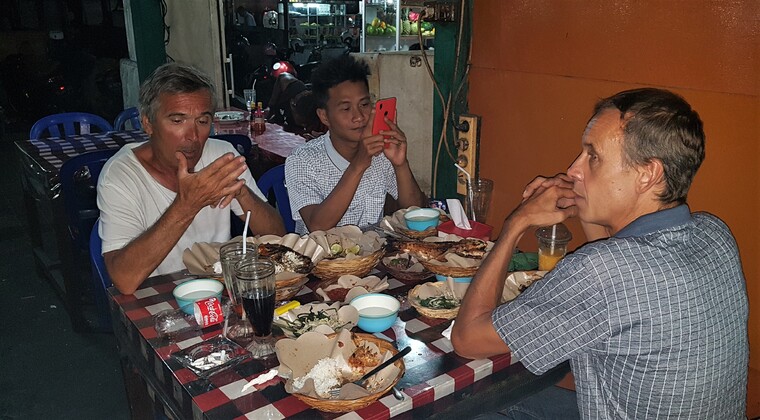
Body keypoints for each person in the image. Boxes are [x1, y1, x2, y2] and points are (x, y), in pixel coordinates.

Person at [451, 88, 748, 419]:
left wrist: (515, 224)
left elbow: (467, 339)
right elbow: (614, 258)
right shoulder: (714, 233)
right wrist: (583, 204)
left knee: (465, 409)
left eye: (593, 157)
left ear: (648, 173)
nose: (573, 170)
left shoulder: (603, 272)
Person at [97, 63, 285, 295]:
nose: (193, 136)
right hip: (157, 302)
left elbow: (278, 237)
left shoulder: (221, 156)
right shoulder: (121, 175)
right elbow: (124, 280)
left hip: (221, 293)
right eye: (178, 121)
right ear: (148, 123)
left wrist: (242, 194)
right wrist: (188, 204)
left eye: (203, 121)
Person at [284, 55, 427, 234]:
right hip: (322, 259)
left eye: (364, 104)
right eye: (345, 108)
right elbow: (317, 226)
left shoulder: (381, 152)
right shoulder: (302, 160)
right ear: (324, 116)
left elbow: (413, 214)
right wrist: (359, 164)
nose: (358, 116)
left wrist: (401, 165)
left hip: (373, 255)